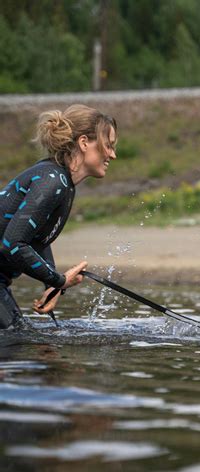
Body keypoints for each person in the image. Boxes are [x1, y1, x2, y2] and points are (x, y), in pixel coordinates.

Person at [0, 104, 117, 329]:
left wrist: (51, 285)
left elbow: (37, 238)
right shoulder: (52, 181)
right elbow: (12, 244)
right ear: (84, 143)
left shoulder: (62, 182)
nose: (113, 154)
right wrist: (59, 280)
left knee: (18, 338)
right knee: (17, 340)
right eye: (108, 145)